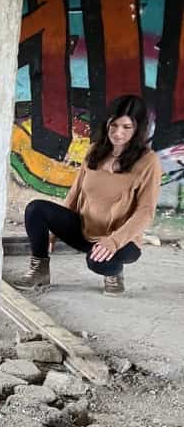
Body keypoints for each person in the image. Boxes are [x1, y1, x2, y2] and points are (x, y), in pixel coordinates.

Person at [12, 94, 163, 296]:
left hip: (122, 242)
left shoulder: (148, 161)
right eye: (114, 125)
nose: (118, 133)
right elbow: (75, 193)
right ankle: (40, 269)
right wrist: (55, 232)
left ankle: (115, 272)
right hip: (85, 231)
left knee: (97, 262)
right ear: (107, 123)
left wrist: (114, 241)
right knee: (36, 208)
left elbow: (146, 212)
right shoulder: (94, 151)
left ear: (138, 129)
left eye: (127, 127)